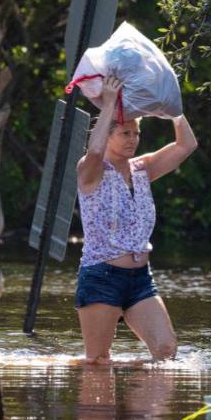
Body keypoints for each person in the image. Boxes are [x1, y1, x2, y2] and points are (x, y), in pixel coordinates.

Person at [75, 75, 197, 363]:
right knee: (98, 361)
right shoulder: (91, 170)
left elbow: (186, 145)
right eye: (125, 133)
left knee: (166, 351)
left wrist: (173, 110)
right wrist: (108, 104)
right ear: (108, 135)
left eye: (136, 133)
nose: (133, 139)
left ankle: (138, 392)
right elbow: (94, 151)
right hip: (101, 276)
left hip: (140, 278)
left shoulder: (143, 168)